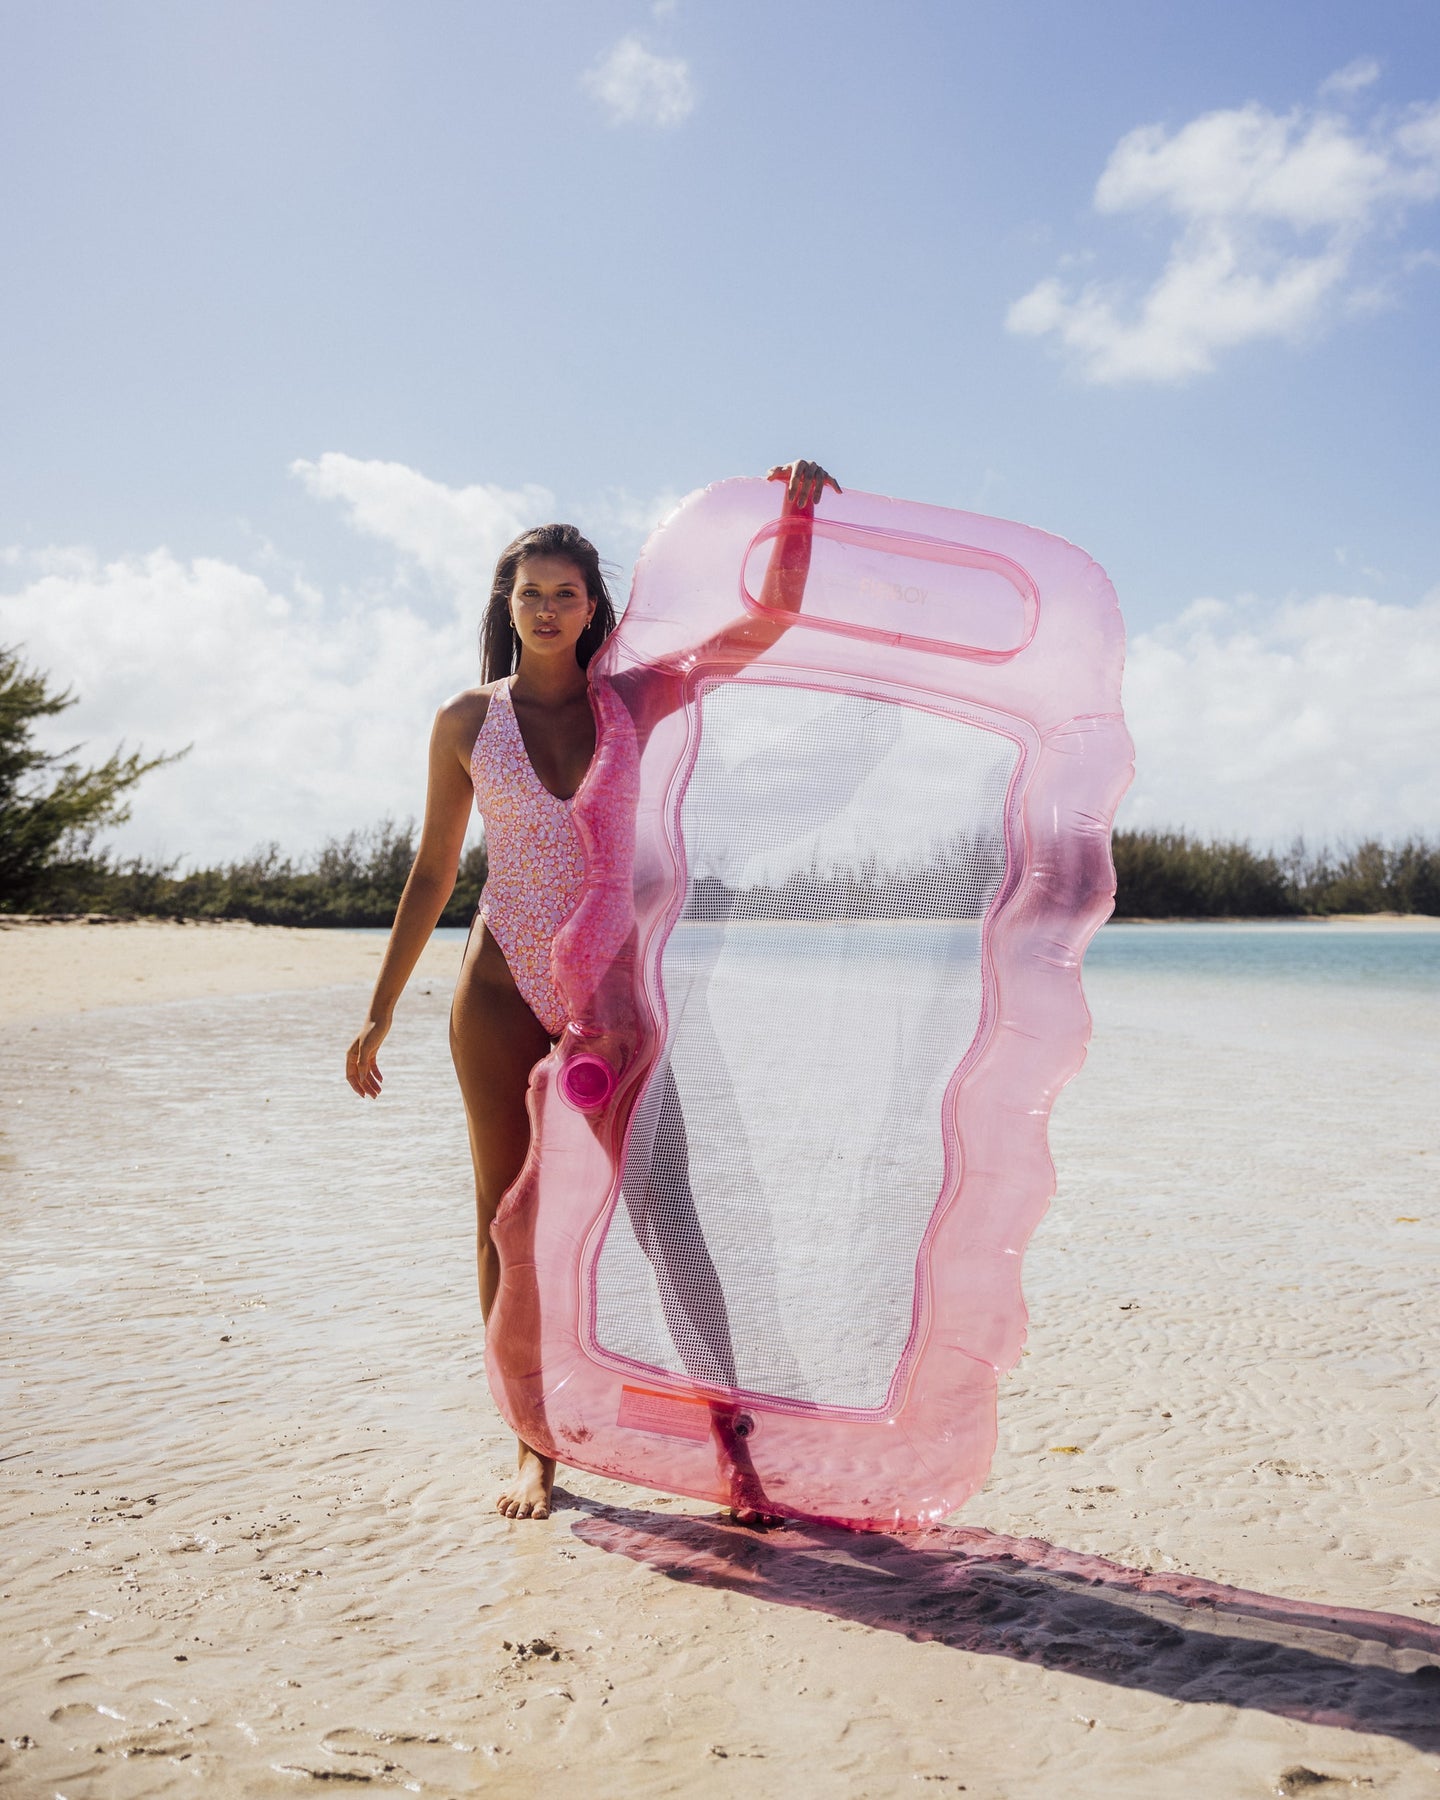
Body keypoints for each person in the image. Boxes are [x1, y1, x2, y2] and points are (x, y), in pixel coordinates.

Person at [346, 458, 840, 1521]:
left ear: (592, 606)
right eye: (531, 592)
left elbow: (767, 626)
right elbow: (434, 873)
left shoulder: (634, 699)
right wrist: (382, 1006)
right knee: (505, 1222)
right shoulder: (464, 723)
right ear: (506, 604)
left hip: (611, 994)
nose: (548, 607)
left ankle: (729, 1446)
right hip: (497, 984)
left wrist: (794, 517)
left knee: (669, 1214)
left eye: (567, 591)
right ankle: (532, 1445)